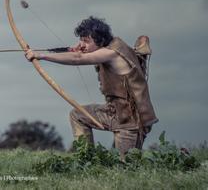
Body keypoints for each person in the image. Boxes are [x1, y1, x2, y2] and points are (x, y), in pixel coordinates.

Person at [25, 16, 158, 157]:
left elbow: (78, 58)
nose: (82, 44)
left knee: (126, 167)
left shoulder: (112, 53)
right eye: (81, 40)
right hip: (114, 112)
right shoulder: (108, 48)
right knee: (78, 115)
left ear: (100, 40)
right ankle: (86, 159)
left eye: (86, 41)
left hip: (131, 121)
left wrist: (40, 56)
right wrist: (80, 48)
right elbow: (81, 54)